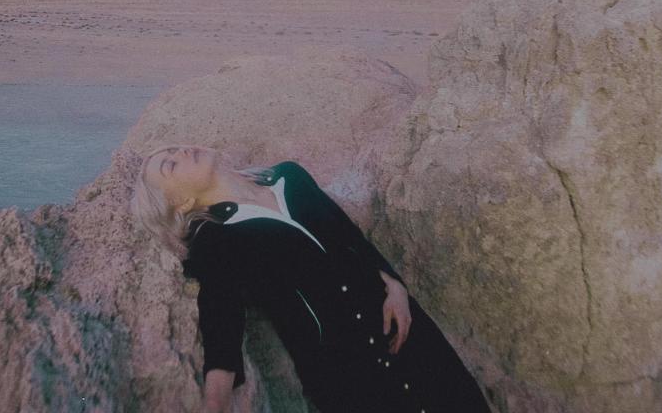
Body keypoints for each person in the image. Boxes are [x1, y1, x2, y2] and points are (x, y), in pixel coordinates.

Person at [131, 144, 492, 413]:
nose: (181, 152)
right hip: (347, 375)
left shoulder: (291, 176)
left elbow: (348, 236)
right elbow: (220, 314)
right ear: (181, 202)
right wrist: (216, 400)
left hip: (405, 333)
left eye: (175, 148)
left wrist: (395, 285)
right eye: (170, 164)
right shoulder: (216, 242)